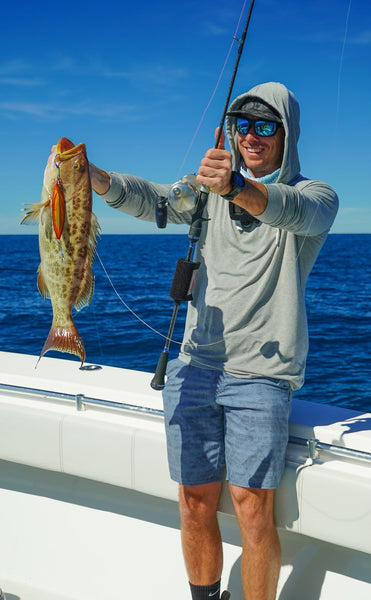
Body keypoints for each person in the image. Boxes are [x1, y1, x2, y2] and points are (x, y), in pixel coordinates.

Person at [90, 82, 338, 600]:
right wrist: (95, 179)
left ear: (287, 134)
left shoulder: (317, 197)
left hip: (263, 374)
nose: (252, 135)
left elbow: (285, 208)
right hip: (195, 365)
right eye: (242, 124)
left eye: (266, 126)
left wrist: (233, 188)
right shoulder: (205, 190)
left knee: (251, 505)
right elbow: (156, 200)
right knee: (193, 499)